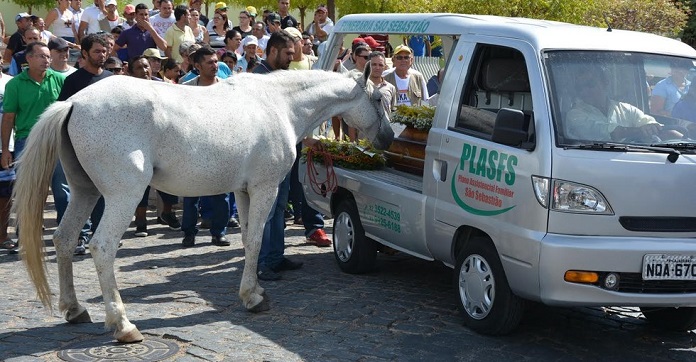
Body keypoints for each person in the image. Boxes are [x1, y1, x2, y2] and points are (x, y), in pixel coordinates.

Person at [1, 42, 67, 252]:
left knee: (63, 191)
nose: (46, 60)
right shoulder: (15, 84)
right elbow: (8, 118)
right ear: (28, 59)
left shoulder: (60, 80)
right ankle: (26, 239)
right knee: (29, 193)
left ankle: (68, 236)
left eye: (48, 56)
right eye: (40, 56)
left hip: (58, 141)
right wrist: (5, 150)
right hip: (26, 142)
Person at [253, 30, 303, 281]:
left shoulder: (283, 78)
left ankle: (275, 257)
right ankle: (259, 263)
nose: (291, 59)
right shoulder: (257, 78)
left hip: (282, 154)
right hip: (263, 158)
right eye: (287, 53)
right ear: (273, 51)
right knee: (267, 210)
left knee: (280, 207)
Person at [57, 33, 112, 254]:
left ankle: (99, 236)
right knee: (80, 194)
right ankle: (79, 235)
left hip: (109, 148)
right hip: (80, 148)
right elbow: (62, 114)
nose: (102, 54)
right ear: (85, 53)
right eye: (97, 51)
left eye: (105, 50)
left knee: (104, 192)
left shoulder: (110, 79)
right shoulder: (73, 81)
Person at [284, 27, 331, 248]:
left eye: (295, 40)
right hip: (288, 134)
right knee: (286, 183)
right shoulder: (281, 67)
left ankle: (315, 227)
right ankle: (276, 231)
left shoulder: (314, 64)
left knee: (310, 181)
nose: (292, 45)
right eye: (288, 41)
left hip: (311, 134)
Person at [180, 46, 230, 248]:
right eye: (209, 62)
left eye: (216, 61)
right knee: (191, 195)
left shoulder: (227, 88)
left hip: (221, 148)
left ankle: (219, 232)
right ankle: (189, 233)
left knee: (222, 194)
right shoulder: (187, 88)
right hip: (193, 149)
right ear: (197, 66)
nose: (215, 65)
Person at [566, 68, 680, 142]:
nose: (585, 91)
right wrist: (640, 131)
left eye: (590, 84)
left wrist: (685, 138)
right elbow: (611, 133)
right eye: (580, 87)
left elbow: (653, 125)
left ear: (605, 83)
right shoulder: (574, 115)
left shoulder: (625, 109)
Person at [0, 69, 16, 253]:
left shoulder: (11, 82)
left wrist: (5, 148)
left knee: (5, 195)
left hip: (7, 146)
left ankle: (3, 235)